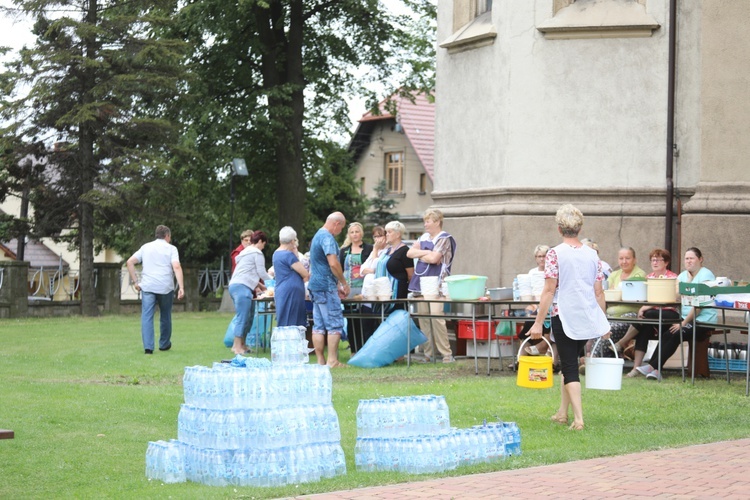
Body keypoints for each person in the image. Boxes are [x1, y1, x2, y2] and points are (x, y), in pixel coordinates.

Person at [529, 204, 610, 431]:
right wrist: (602, 321)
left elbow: (548, 290)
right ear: (580, 227)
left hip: (563, 314)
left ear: (559, 229)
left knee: (569, 367)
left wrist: (538, 322)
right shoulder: (593, 254)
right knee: (569, 364)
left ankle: (579, 419)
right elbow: (599, 292)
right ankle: (563, 413)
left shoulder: (555, 253)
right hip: (585, 315)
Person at [635, 247, 718, 381]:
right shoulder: (683, 276)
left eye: (692, 258)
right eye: (686, 258)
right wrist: (648, 305)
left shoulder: (706, 275)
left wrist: (683, 323)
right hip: (685, 318)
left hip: (703, 321)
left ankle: (653, 368)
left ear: (700, 259)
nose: (688, 261)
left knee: (676, 333)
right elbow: (671, 295)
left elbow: (699, 305)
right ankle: (653, 368)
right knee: (668, 333)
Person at [613, 248, 679, 377]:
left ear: (666, 262)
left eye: (658, 260)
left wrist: (646, 307)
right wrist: (646, 306)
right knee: (644, 328)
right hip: (652, 315)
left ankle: (622, 342)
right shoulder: (648, 277)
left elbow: (672, 297)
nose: (654, 262)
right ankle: (636, 368)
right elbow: (644, 296)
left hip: (669, 314)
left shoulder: (672, 278)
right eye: (653, 260)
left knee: (646, 314)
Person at [407, 208, 457, 364]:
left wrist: (420, 252)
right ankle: (428, 352)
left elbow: (435, 258)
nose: (425, 224)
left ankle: (446, 353)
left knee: (436, 317)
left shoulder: (444, 238)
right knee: (423, 318)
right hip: (421, 283)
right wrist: (425, 253)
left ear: (437, 221)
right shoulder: (423, 237)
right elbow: (409, 253)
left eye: (428, 221)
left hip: (438, 284)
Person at [127, 225, 185, 354]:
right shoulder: (171, 249)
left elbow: (130, 262)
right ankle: (164, 344)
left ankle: (148, 347)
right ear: (167, 236)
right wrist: (181, 287)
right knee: (165, 315)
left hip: (148, 286)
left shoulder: (145, 247)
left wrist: (136, 282)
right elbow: (176, 266)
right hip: (165, 287)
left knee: (147, 316)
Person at [308, 212, 350, 368]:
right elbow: (333, 263)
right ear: (337, 224)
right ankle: (332, 360)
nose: (340, 232)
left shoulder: (317, 235)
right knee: (334, 324)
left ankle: (320, 361)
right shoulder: (327, 238)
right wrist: (343, 282)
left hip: (315, 286)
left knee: (318, 325)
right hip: (326, 286)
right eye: (342, 228)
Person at [227, 230, 271, 355]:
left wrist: (260, 285)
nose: (263, 247)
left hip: (238, 286)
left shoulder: (244, 253)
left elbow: (247, 272)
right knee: (243, 317)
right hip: (242, 288)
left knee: (249, 316)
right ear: (261, 241)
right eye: (264, 244)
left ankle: (243, 344)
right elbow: (261, 272)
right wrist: (273, 282)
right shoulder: (257, 253)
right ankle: (236, 347)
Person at [603, 247, 647, 355]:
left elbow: (630, 295)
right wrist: (618, 292)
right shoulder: (615, 274)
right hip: (610, 315)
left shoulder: (639, 275)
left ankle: (594, 357)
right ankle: (593, 356)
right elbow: (606, 291)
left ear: (634, 260)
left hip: (630, 315)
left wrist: (616, 291)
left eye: (627, 258)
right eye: (621, 258)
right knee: (598, 327)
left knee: (610, 328)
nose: (624, 261)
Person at [518, 245, 555, 359]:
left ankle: (542, 347)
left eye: (544, 256)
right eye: (539, 256)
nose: (542, 259)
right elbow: (527, 292)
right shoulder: (532, 273)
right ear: (535, 258)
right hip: (535, 304)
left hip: (550, 304)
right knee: (529, 318)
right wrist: (532, 305)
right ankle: (521, 358)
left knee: (546, 317)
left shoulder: (553, 271)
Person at [273, 227, 309, 327]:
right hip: (292, 291)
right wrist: (296, 255)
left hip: (282, 289)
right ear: (292, 240)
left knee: (284, 318)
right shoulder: (288, 255)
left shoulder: (276, 253)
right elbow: (305, 273)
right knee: (293, 320)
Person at [339, 222, 373, 298]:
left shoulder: (369, 248)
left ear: (361, 233)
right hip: (347, 286)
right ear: (349, 235)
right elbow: (340, 269)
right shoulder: (344, 250)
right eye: (352, 232)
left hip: (365, 286)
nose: (354, 234)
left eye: (357, 232)